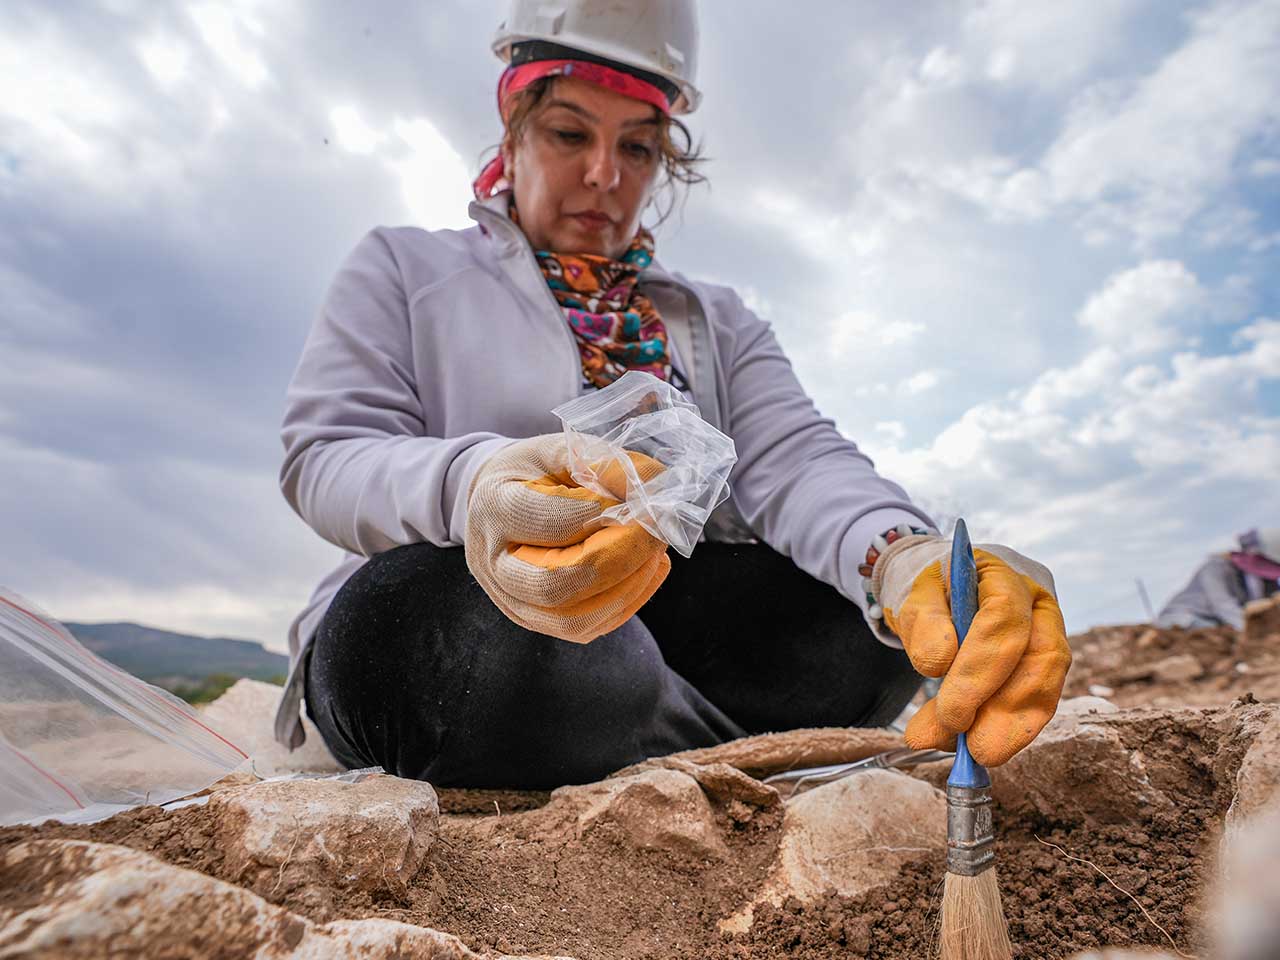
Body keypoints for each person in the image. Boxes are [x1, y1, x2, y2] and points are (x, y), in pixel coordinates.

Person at [273, 0, 1071, 790]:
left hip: (646, 622)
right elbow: (327, 456)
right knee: (457, 638)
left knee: (862, 625)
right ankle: (698, 741)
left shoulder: (713, 320)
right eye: (569, 134)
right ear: (512, 125)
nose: (604, 175)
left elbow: (795, 460)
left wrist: (900, 555)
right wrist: (474, 485)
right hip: (472, 603)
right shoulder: (404, 269)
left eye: (639, 148)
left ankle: (627, 730)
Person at [1156, 528, 1280, 630]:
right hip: (1183, 620)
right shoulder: (1215, 568)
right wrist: (1254, 632)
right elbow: (1223, 605)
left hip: (1220, 624)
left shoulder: (1258, 580)